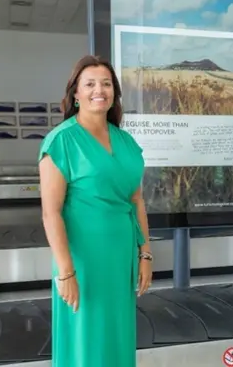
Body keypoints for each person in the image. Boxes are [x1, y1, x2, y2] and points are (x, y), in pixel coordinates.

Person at [38, 55, 153, 367]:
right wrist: (65, 271)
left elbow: (136, 201)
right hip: (82, 260)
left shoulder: (126, 141)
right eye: (89, 84)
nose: (98, 90)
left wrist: (145, 253)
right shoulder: (62, 141)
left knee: (116, 334)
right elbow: (51, 213)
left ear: (114, 92)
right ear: (75, 93)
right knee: (85, 338)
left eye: (106, 83)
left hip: (120, 257)